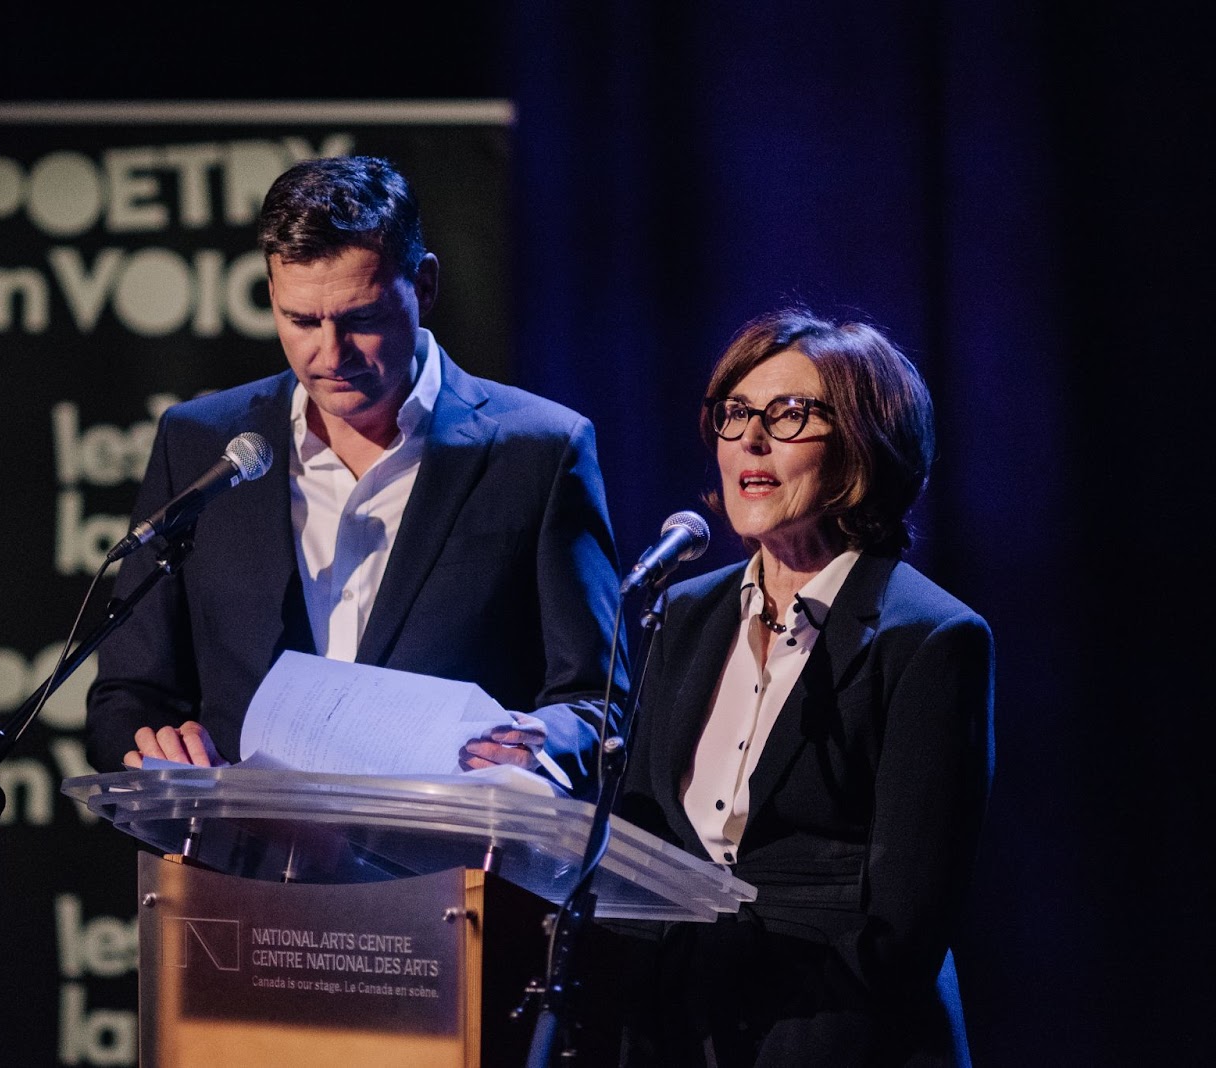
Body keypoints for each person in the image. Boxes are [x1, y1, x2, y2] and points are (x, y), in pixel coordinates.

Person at [84, 155, 628, 798]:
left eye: (361, 319)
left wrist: (531, 749)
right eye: (301, 320)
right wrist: (153, 741)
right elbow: (129, 692)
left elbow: (596, 704)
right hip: (240, 869)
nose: (329, 354)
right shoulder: (203, 441)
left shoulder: (537, 450)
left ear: (423, 285)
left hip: (447, 870)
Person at [615, 309, 994, 1066]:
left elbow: (905, 922)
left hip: (843, 1033)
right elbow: (649, 835)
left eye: (789, 415)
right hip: (684, 1032)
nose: (751, 440)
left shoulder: (931, 639)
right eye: (736, 414)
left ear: (863, 443)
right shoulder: (686, 612)